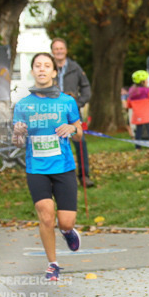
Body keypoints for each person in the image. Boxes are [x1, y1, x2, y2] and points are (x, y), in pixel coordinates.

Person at [12, 53, 83, 281]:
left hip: (63, 167)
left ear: (54, 72)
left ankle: (67, 231)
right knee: (46, 216)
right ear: (32, 71)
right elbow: (17, 142)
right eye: (37, 66)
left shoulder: (66, 101)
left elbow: (80, 133)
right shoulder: (23, 105)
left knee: (65, 221)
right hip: (37, 169)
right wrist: (18, 134)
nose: (41, 69)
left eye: (46, 66)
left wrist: (72, 129)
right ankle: (53, 264)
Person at [50, 39, 94, 188]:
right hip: (53, 113)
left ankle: (84, 176)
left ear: (66, 50)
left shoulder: (75, 68)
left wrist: (78, 103)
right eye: (56, 49)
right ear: (52, 51)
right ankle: (56, 176)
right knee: (55, 143)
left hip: (72, 112)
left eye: (61, 48)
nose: (59, 51)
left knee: (80, 142)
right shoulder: (49, 68)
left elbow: (86, 88)